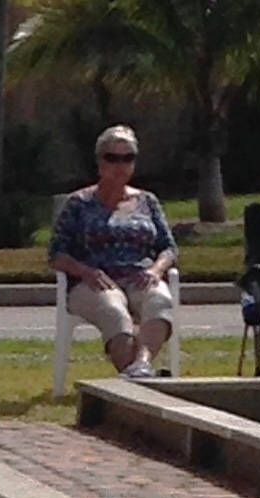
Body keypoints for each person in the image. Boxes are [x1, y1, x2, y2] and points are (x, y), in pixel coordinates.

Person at [47, 125, 177, 378]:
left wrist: (155, 269)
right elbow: (56, 254)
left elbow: (169, 248)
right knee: (114, 310)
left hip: (139, 275)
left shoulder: (147, 201)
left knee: (159, 299)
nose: (120, 165)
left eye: (128, 158)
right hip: (94, 282)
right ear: (99, 162)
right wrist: (84, 271)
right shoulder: (79, 203)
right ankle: (142, 377)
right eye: (112, 158)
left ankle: (139, 367)